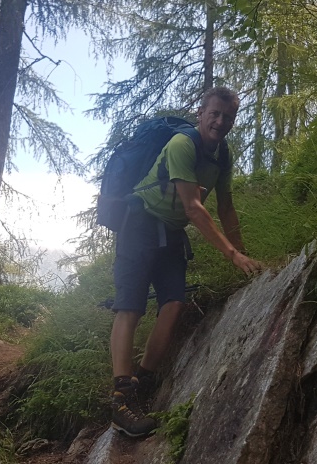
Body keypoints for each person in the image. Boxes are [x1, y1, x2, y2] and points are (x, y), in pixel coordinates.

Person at [108, 86, 262, 437]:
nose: (220, 121)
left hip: (172, 231)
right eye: (215, 113)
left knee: (174, 303)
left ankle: (143, 381)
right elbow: (194, 207)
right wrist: (232, 255)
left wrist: (243, 254)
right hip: (139, 223)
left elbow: (226, 206)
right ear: (201, 113)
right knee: (130, 307)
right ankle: (120, 400)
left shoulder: (223, 155)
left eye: (228, 116)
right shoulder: (182, 144)